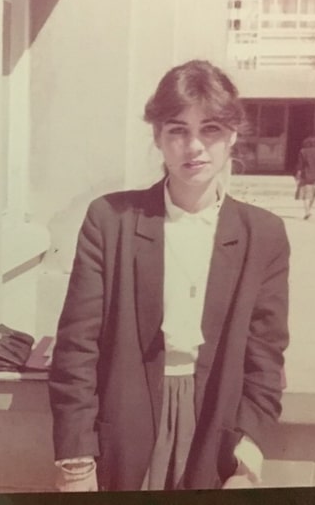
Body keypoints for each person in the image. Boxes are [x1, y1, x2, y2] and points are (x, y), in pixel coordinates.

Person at [48, 60, 290, 492]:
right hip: (127, 423)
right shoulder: (110, 220)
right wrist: (76, 461)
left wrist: (248, 458)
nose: (193, 146)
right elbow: (76, 348)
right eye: (178, 130)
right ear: (158, 137)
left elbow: (266, 357)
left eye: (211, 129)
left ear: (233, 135)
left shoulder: (264, 235)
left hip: (217, 427)